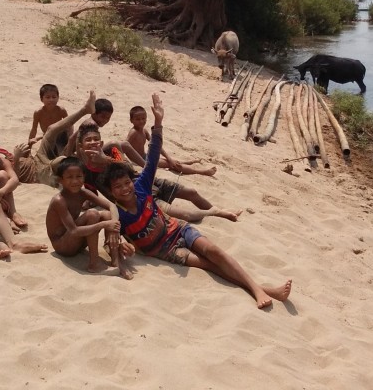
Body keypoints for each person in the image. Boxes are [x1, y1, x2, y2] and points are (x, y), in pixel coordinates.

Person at [102, 94, 291, 309]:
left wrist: (158, 123)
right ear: (111, 192)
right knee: (208, 264)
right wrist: (126, 251)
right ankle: (265, 289)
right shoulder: (118, 213)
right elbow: (111, 241)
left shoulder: (141, 186)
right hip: (165, 250)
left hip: (178, 229)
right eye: (118, 187)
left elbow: (153, 155)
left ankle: (258, 289)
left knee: (214, 252)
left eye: (126, 183)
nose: (125, 189)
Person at [78, 121, 240, 223]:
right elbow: (92, 196)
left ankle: (218, 211)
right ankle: (215, 213)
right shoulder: (86, 171)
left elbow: (128, 169)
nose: (93, 143)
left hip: (145, 182)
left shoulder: (110, 149)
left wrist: (105, 160)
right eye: (88, 140)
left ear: (101, 141)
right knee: (186, 215)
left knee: (192, 192)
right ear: (81, 146)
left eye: (95, 139)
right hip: (137, 198)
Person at [46, 156, 135, 278]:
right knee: (92, 214)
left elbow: (111, 205)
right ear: (61, 180)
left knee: (108, 215)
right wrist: (104, 224)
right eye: (69, 177)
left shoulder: (83, 193)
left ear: (84, 177)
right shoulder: (59, 200)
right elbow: (73, 230)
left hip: (76, 241)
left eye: (78, 176)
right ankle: (94, 264)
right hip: (63, 246)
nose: (75, 181)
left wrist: (114, 227)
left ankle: (116, 261)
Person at [15, 90, 97, 187]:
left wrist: (29, 144)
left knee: (51, 130)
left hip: (38, 158)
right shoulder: (2, 166)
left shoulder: (5, 156)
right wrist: (16, 158)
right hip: (39, 173)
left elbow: (27, 157)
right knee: (61, 160)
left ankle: (85, 110)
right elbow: (14, 179)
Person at [126, 105, 216, 177]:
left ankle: (186, 162)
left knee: (169, 161)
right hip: (140, 161)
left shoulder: (144, 130)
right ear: (131, 120)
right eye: (137, 119)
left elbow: (156, 145)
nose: (141, 121)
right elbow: (124, 146)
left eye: (143, 118)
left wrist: (169, 157)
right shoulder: (133, 133)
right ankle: (202, 171)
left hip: (145, 156)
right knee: (172, 164)